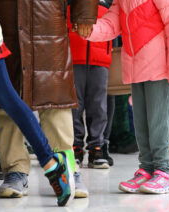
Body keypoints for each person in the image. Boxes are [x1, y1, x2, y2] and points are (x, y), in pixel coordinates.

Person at [0, 0, 97, 199]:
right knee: (5, 100)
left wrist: (85, 14)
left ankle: (68, 168)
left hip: (48, 21)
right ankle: (15, 169)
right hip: (2, 20)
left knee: (55, 100)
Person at [85, 0, 169, 194]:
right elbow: (111, 23)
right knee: (141, 124)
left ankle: (163, 171)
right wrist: (89, 30)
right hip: (135, 65)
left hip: (159, 64)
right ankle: (147, 168)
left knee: (157, 121)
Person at [68, 0, 114, 169]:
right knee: (74, 105)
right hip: (74, 52)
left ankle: (97, 147)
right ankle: (75, 146)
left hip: (101, 54)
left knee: (99, 105)